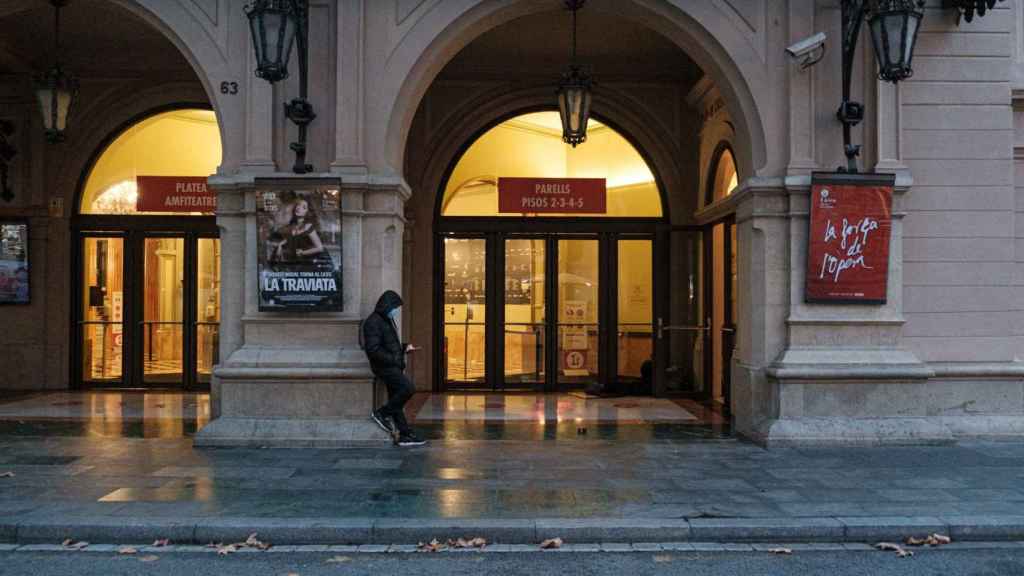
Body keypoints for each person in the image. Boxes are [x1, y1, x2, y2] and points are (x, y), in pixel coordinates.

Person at [363, 290, 426, 447]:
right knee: (408, 388)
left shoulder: (386, 320)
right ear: (387, 305)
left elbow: (390, 344)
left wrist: (404, 348)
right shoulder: (373, 322)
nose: (396, 311)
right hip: (385, 367)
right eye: (395, 307)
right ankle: (381, 413)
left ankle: (404, 435)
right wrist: (394, 359)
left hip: (392, 365)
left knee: (396, 401)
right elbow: (373, 349)